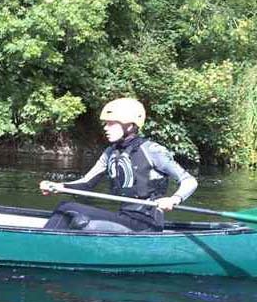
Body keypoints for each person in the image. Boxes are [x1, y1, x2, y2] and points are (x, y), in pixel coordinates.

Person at [39, 98, 198, 232]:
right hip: (124, 217)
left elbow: (189, 180)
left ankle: (40, 245)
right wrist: (59, 186)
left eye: (111, 124)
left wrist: (174, 199)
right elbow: (86, 183)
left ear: (130, 125)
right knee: (69, 210)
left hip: (146, 223)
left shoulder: (152, 150)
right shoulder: (110, 152)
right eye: (105, 124)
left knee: (67, 208)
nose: (105, 128)